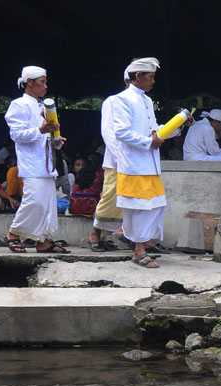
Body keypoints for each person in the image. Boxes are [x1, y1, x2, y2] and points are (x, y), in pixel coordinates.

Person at [113, 57, 184, 268]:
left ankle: (142, 245)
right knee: (139, 208)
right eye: (150, 77)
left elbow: (155, 132)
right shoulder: (122, 99)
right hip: (134, 166)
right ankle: (139, 250)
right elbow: (121, 132)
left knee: (155, 206)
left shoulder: (146, 100)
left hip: (150, 165)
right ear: (138, 77)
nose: (153, 81)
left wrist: (179, 125)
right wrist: (147, 141)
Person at [2, 66, 69, 253]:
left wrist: (56, 139)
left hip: (47, 162)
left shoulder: (42, 106)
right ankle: (13, 234)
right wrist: (40, 130)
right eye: (42, 82)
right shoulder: (18, 105)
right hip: (31, 162)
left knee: (47, 203)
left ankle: (43, 241)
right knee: (34, 201)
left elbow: (47, 134)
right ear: (29, 82)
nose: (46, 86)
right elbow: (16, 134)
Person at [91, 69, 130, 250]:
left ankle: (140, 239)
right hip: (117, 161)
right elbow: (108, 133)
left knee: (136, 200)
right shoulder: (113, 102)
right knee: (110, 197)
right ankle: (95, 235)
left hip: (137, 162)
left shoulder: (144, 103)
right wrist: (121, 158)